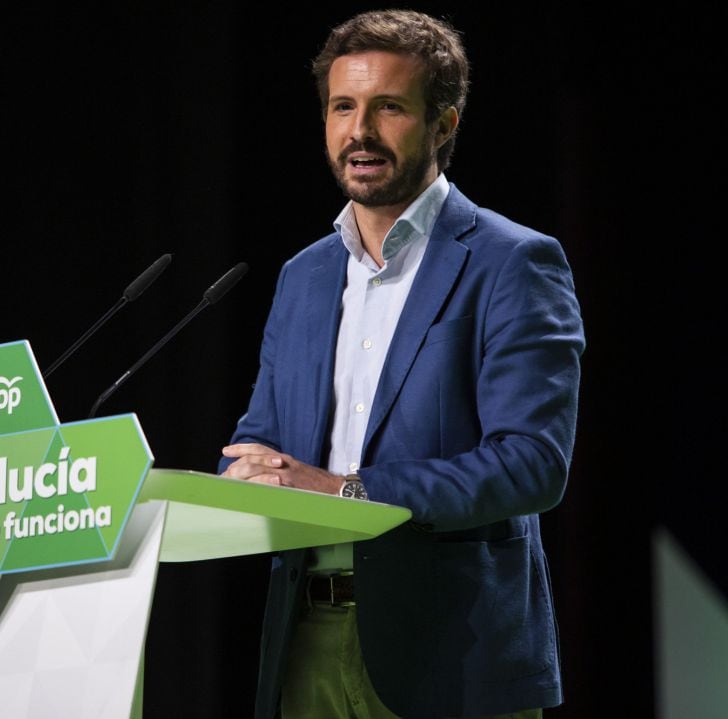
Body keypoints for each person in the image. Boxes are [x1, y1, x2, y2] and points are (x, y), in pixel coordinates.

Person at [218, 9, 584, 719]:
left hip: (454, 650)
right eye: (343, 107)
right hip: (308, 642)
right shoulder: (303, 276)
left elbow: (532, 463)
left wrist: (346, 491)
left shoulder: (513, 262)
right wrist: (245, 475)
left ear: (443, 124)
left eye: (389, 107)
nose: (359, 132)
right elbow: (258, 443)